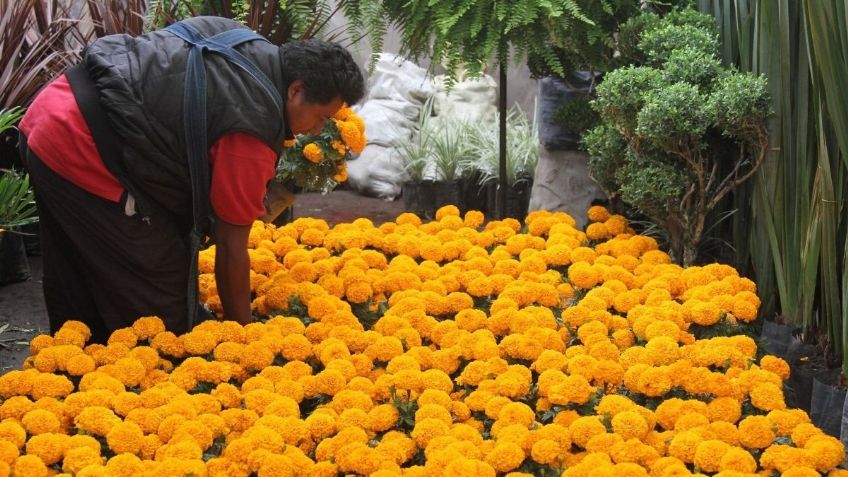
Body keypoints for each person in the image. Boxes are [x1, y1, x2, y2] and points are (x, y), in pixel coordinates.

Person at [18, 16, 365, 343]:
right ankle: (98, 368)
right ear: (296, 90)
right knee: (164, 308)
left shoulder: (248, 45)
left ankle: (74, 356)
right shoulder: (252, 126)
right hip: (78, 144)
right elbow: (231, 247)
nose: (317, 130)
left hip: (55, 105)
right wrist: (242, 335)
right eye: (320, 117)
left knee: (80, 268)